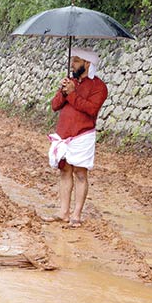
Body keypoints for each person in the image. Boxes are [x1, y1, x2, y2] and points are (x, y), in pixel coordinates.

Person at [47, 48, 108, 228]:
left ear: (87, 64)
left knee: (80, 173)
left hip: (83, 135)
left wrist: (73, 93)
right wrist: (64, 92)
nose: (72, 64)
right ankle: (63, 212)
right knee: (65, 171)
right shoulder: (70, 82)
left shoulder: (99, 87)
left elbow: (91, 109)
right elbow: (55, 105)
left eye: (76, 61)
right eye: (73, 61)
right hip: (63, 133)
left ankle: (76, 215)